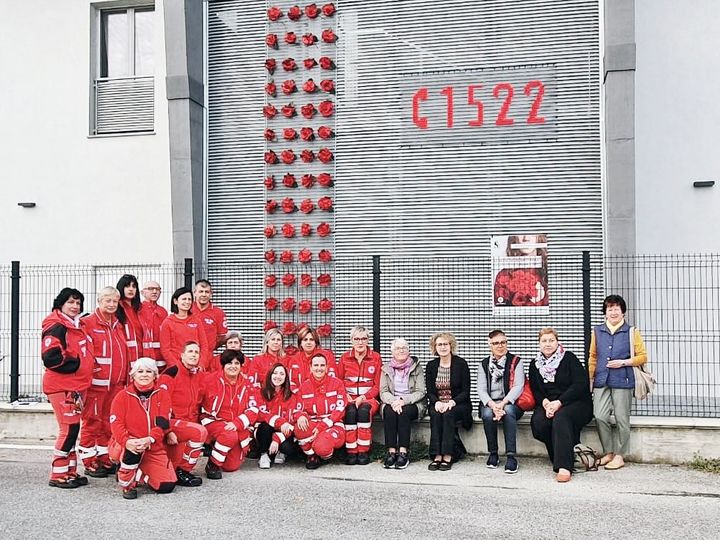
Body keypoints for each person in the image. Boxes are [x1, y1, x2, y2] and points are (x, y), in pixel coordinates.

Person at [41, 288, 94, 488]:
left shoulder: (75, 325)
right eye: (71, 302)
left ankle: (70, 472)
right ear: (61, 304)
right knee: (69, 428)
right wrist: (78, 364)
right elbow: (51, 357)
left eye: (78, 303)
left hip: (76, 387)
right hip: (63, 387)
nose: (75, 306)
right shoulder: (56, 326)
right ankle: (58, 474)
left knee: (73, 429)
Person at [589, 294, 648, 470]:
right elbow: (593, 356)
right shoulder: (597, 331)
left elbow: (643, 357)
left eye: (616, 308)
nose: (613, 312)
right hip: (601, 379)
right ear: (605, 312)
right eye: (610, 309)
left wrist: (623, 362)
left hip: (623, 379)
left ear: (623, 312)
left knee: (622, 418)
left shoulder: (631, 331)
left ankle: (620, 455)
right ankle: (608, 452)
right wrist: (590, 379)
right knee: (599, 415)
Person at [529, 328, 593, 483]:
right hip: (549, 403)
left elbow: (580, 384)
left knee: (561, 418)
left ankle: (564, 466)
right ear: (539, 344)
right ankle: (561, 456)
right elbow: (536, 389)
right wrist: (545, 403)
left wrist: (559, 403)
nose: (548, 344)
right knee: (539, 422)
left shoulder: (568, 358)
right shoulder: (535, 364)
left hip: (575, 402)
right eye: (544, 341)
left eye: (551, 340)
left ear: (557, 342)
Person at [78, 286, 128, 477]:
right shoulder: (88, 323)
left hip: (115, 384)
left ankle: (104, 457)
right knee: (92, 422)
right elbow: (84, 352)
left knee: (108, 423)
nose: (111, 304)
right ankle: (89, 460)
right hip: (96, 384)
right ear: (99, 301)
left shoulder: (117, 324)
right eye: (108, 300)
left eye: (115, 301)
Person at [109, 358, 176, 499]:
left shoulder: (163, 395)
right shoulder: (122, 396)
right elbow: (116, 424)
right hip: (127, 444)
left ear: (155, 375)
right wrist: (126, 441)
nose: (144, 375)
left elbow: (162, 423)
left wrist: (150, 439)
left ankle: (139, 472)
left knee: (166, 486)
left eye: (148, 371)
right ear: (133, 375)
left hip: (152, 446)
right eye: (140, 371)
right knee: (133, 448)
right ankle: (127, 484)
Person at [200, 349, 258, 479]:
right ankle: (213, 464)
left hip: (236, 426)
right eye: (229, 363)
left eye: (237, 363)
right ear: (223, 365)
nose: (233, 366)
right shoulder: (210, 380)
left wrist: (237, 423)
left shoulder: (247, 384)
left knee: (231, 466)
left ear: (241, 366)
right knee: (229, 435)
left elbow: (254, 409)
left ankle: (218, 447)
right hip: (213, 421)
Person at [158, 341, 208, 487]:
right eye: (190, 351)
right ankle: (182, 471)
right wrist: (167, 431)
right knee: (199, 432)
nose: (193, 355)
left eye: (196, 352)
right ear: (182, 355)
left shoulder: (197, 374)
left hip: (187, 424)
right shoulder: (171, 373)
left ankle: (180, 469)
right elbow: (160, 405)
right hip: (171, 424)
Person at [477, 330, 525, 473]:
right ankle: (493, 453)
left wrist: (503, 404)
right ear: (490, 345)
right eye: (496, 343)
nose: (500, 346)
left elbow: (519, 386)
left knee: (509, 412)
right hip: (491, 402)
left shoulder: (516, 361)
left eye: (503, 342)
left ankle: (511, 457)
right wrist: (493, 405)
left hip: (511, 402)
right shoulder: (484, 364)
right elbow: (481, 389)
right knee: (487, 414)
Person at [425, 332, 472, 471]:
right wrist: (437, 402)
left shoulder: (461, 364)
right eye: (439, 344)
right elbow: (430, 391)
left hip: (458, 404)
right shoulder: (431, 365)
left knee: (448, 414)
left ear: (451, 346)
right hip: (438, 402)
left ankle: (448, 454)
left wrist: (451, 402)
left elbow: (465, 391)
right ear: (435, 347)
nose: (443, 347)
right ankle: (436, 454)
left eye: (445, 344)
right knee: (435, 414)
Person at [379, 338, 426, 470]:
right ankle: (391, 451)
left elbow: (420, 391)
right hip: (392, 402)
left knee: (404, 412)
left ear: (408, 350)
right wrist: (394, 401)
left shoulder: (416, 367)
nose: (401, 350)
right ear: (392, 352)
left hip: (413, 402)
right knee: (389, 412)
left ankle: (404, 452)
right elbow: (383, 392)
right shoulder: (386, 369)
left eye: (404, 348)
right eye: (398, 348)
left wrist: (403, 401)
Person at [338, 325, 382, 465]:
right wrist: (345, 395)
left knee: (363, 411)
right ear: (351, 341)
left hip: (368, 399)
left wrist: (364, 397)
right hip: (348, 398)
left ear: (368, 340)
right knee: (350, 412)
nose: (360, 342)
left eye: (363, 339)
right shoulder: (344, 357)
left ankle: (363, 451)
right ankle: (351, 451)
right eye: (356, 339)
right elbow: (338, 382)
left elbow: (378, 385)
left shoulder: (375, 357)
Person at [294, 353, 348, 469]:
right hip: (313, 422)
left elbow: (340, 409)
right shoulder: (304, 386)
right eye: (316, 365)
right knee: (299, 428)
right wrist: (300, 415)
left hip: (333, 424)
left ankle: (324, 455)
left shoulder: (337, 383)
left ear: (327, 367)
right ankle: (311, 455)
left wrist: (322, 426)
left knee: (322, 446)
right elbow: (297, 408)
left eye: (322, 365)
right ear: (311, 367)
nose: (319, 368)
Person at [255, 363, 300, 469]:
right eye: (275, 373)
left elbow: (291, 422)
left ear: (286, 378)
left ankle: (281, 451)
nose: (278, 376)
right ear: (270, 375)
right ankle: (264, 454)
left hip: (284, 433)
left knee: (287, 447)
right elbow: (261, 414)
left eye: (281, 374)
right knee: (264, 426)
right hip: (267, 431)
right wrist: (279, 421)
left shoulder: (292, 396)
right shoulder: (261, 393)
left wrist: (277, 439)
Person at [159, 287, 211, 370]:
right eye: (184, 299)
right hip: (177, 368)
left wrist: (201, 365)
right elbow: (165, 350)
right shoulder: (167, 322)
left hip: (195, 367)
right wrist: (177, 367)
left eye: (189, 299)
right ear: (175, 301)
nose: (187, 302)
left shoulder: (196, 321)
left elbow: (204, 345)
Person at [286, 325, 337, 393]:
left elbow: (333, 379)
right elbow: (291, 383)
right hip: (301, 396)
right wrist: (299, 394)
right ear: (300, 343)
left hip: (323, 396)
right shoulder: (294, 359)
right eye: (305, 340)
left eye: (311, 339)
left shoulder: (327, 356)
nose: (308, 342)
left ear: (316, 342)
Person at [138, 281, 168, 370]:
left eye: (157, 289)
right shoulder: (138, 310)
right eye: (151, 289)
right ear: (142, 292)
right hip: (143, 357)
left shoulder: (163, 312)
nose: (154, 291)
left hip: (161, 358)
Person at [194, 279, 228, 351]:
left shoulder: (219, 313)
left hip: (208, 356)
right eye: (201, 291)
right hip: (188, 355)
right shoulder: (187, 310)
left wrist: (210, 347)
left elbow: (222, 337)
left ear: (211, 294)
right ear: (194, 293)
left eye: (207, 292)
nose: (204, 295)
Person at [116, 274, 144, 364]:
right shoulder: (116, 308)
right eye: (127, 286)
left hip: (141, 354)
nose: (131, 289)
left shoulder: (141, 309)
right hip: (124, 355)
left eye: (134, 286)